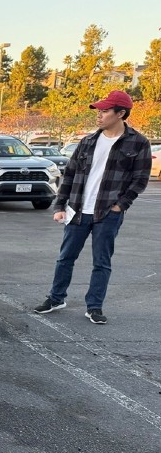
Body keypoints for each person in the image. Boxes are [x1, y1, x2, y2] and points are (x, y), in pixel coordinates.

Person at [34, 90, 152, 324]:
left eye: (105, 111)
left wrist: (121, 205)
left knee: (102, 262)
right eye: (98, 110)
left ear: (120, 113)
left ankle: (94, 306)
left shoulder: (138, 143)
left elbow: (140, 179)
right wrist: (60, 205)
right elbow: (69, 175)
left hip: (108, 213)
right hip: (78, 210)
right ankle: (56, 298)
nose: (99, 115)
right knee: (65, 257)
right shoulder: (87, 141)